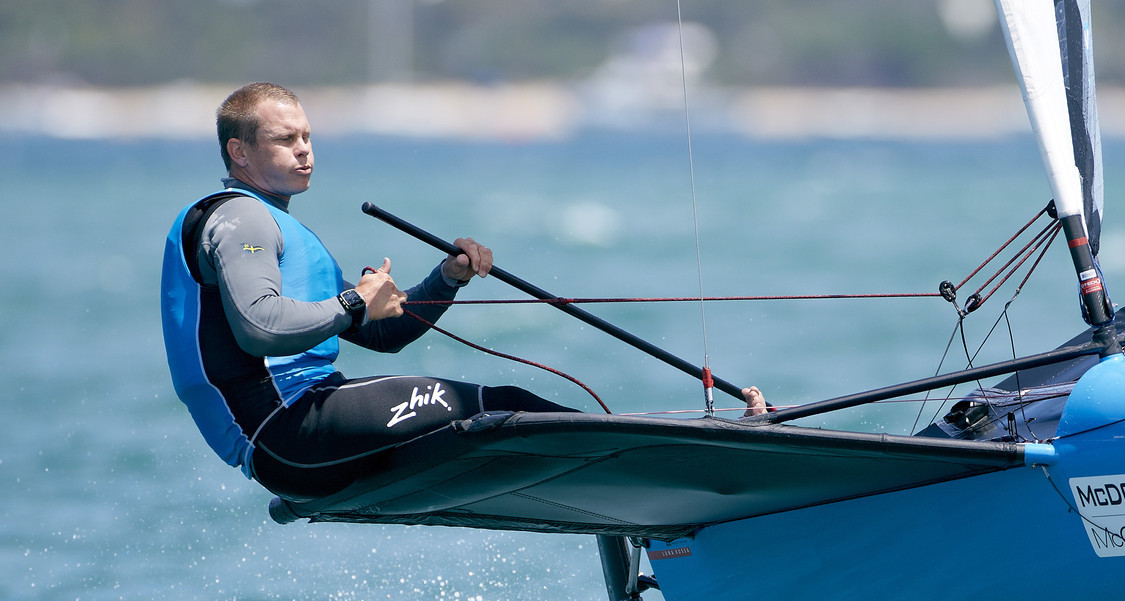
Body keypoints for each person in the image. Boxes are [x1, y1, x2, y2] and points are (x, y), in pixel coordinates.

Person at [161, 82, 768, 501]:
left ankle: (644, 481)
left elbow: (383, 333)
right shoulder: (239, 220)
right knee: (499, 404)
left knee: (492, 431)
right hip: (284, 430)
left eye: (308, 137)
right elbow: (260, 327)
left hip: (302, 433)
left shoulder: (274, 225)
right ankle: (679, 468)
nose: (305, 151)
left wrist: (444, 279)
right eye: (284, 140)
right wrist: (353, 304)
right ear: (239, 151)